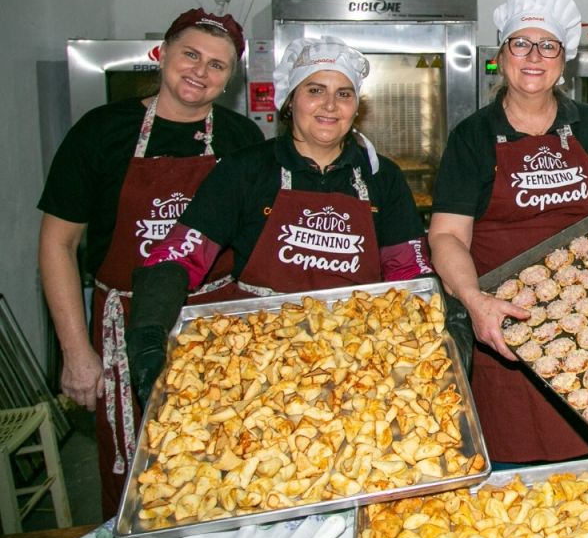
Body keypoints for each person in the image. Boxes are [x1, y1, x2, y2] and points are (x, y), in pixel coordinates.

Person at [38, 8, 263, 517]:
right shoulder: (101, 132)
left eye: (217, 65)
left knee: (228, 460)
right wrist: (75, 352)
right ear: (160, 54)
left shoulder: (241, 139)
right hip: (126, 319)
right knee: (138, 470)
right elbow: (57, 244)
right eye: (190, 55)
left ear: (230, 79)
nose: (200, 72)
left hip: (214, 323)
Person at [127, 36, 435, 403]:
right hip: (259, 361)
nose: (330, 106)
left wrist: (441, 313)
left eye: (344, 94)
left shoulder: (382, 177)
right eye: (315, 90)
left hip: (361, 358)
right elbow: (179, 255)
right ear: (291, 100)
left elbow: (408, 270)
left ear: (356, 106)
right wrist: (149, 331)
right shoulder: (245, 170)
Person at [429, 0, 588, 464]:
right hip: (507, 328)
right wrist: (474, 300)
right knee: (515, 472)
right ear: (501, 54)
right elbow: (445, 236)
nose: (534, 56)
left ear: (565, 60)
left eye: (548, 45)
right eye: (520, 43)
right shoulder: (473, 136)